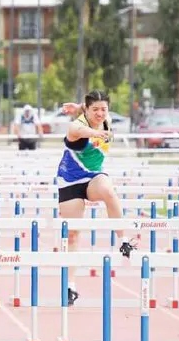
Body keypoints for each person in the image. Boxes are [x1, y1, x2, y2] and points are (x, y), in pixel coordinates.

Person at [57, 92, 137, 305]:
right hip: (70, 180)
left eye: (104, 109)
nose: (100, 114)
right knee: (72, 235)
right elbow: (81, 130)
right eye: (95, 110)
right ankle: (70, 286)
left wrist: (80, 106)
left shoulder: (105, 118)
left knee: (108, 190)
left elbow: (94, 109)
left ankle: (123, 241)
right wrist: (95, 132)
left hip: (93, 178)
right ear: (88, 111)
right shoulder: (76, 127)